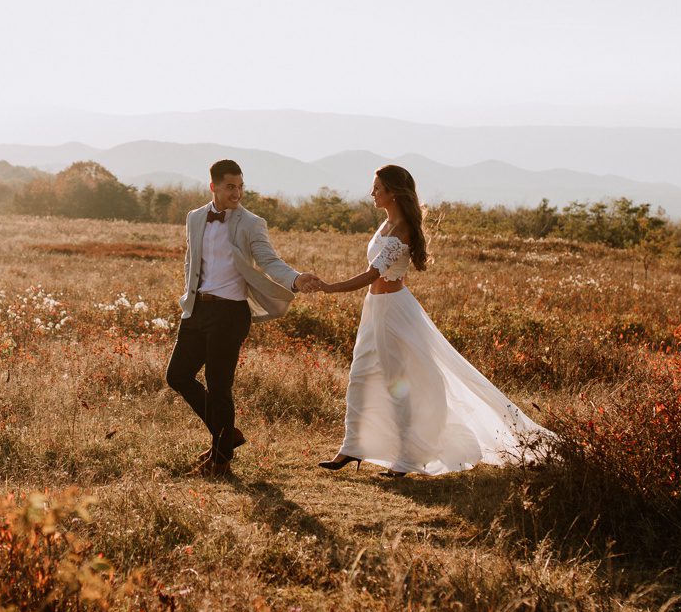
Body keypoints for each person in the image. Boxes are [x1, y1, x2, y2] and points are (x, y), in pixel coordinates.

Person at [312, 164, 554, 478]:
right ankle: (352, 446)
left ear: (393, 193)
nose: (372, 193)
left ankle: (409, 457)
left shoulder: (402, 230)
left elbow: (374, 273)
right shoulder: (387, 223)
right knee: (360, 375)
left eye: (377, 188)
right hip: (375, 308)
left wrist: (331, 287)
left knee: (398, 383)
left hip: (393, 311)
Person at [166, 159, 319, 478]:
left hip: (230, 313)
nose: (237, 193)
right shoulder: (195, 217)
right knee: (177, 375)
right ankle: (228, 435)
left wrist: (295, 278)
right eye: (229, 187)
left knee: (220, 386)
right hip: (197, 309)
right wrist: (188, 294)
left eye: (240, 186)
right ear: (214, 187)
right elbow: (190, 260)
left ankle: (220, 460)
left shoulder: (251, 222)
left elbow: (268, 259)